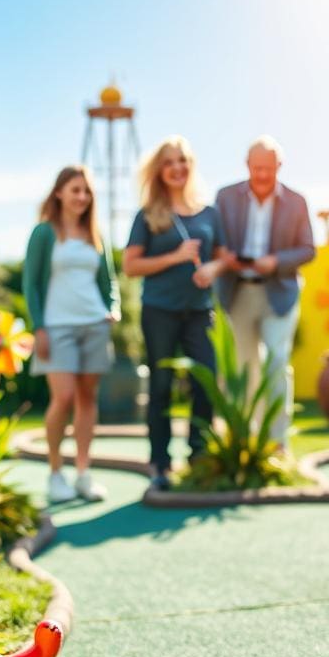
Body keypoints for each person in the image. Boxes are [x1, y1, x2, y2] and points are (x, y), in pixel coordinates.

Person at [123, 135, 231, 490]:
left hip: (199, 311)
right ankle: (160, 463)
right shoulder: (148, 215)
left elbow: (225, 256)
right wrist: (176, 257)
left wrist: (211, 270)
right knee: (161, 386)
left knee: (205, 380)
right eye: (168, 163)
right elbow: (131, 265)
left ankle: (199, 456)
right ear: (159, 171)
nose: (176, 168)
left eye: (182, 160)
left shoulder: (209, 213)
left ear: (191, 165)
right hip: (160, 312)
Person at [24, 166, 120, 503]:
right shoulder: (44, 233)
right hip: (57, 328)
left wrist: (113, 307)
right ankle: (55, 474)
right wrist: (39, 328)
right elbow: (31, 284)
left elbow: (110, 283)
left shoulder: (96, 235)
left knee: (87, 400)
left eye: (86, 191)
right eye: (75, 190)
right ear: (60, 192)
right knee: (62, 398)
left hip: (94, 325)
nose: (81, 197)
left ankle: (83, 473)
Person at [215, 135, 315, 453]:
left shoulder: (297, 202)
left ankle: (277, 444)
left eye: (268, 168)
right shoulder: (226, 197)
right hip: (238, 291)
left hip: (279, 292)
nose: (262, 175)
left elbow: (308, 250)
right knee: (244, 369)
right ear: (247, 165)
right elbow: (214, 240)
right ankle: (244, 440)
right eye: (257, 168)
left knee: (276, 362)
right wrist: (225, 257)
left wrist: (276, 262)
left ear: (279, 167)